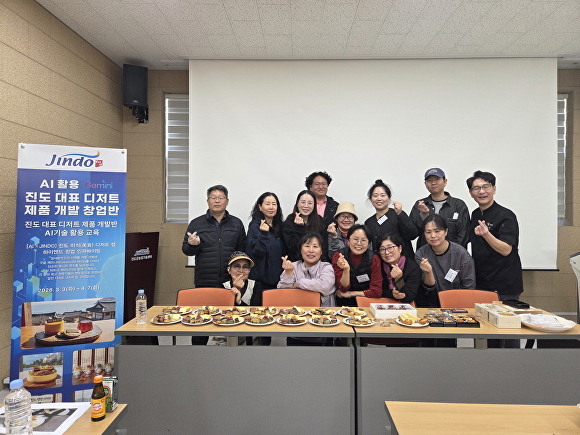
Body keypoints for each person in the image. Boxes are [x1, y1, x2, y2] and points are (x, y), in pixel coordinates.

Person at [466, 170, 523, 300]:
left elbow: (506, 250)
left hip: (505, 283)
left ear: (494, 189)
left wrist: (486, 234)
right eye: (476, 188)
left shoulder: (506, 215)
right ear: (471, 193)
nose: (481, 191)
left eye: (486, 186)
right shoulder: (475, 214)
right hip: (482, 281)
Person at [182, 185, 246, 288]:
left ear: (227, 201)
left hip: (230, 280)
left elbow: (242, 251)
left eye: (221, 198)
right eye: (213, 198)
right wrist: (192, 245)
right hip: (204, 279)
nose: (217, 201)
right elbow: (186, 251)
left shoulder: (236, 223)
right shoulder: (196, 223)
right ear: (207, 201)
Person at [415, 215, 476, 307]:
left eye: (437, 231)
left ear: (446, 231)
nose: (433, 236)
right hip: (431, 304)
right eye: (428, 232)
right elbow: (428, 289)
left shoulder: (461, 254)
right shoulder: (421, 254)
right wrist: (428, 272)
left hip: (458, 303)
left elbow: (469, 286)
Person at [409, 167, 470, 249]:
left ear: (445, 181)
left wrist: (451, 252)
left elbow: (464, 234)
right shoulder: (420, 204)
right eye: (429, 180)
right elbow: (412, 233)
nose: (433, 183)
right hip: (426, 254)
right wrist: (424, 215)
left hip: (454, 254)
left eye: (437, 179)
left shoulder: (458, 205)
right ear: (425, 184)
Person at [277, 232, 336, 307]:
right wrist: (288, 273)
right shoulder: (293, 266)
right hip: (298, 311)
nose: (311, 250)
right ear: (301, 250)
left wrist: (298, 284)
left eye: (315, 247)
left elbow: (325, 286)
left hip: (324, 312)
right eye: (307, 246)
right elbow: (282, 292)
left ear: (321, 251)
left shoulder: (326, 267)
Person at [364, 179, 417, 258]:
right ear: (370, 199)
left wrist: (400, 214)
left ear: (389, 198)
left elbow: (412, 235)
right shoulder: (369, 222)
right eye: (375, 196)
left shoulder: (397, 214)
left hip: (403, 262)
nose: (379, 198)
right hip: (381, 263)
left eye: (383, 195)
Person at [332, 224, 383, 307]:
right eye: (355, 239)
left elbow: (376, 291)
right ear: (348, 241)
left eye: (363, 240)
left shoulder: (374, 258)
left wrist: (351, 294)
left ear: (368, 243)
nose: (359, 243)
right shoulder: (339, 256)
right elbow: (342, 288)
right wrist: (346, 270)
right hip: (343, 303)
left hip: (367, 302)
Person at [246, 192, 286, 290]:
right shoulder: (255, 226)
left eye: (274, 204)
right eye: (267, 204)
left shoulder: (281, 226)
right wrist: (264, 234)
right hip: (260, 281)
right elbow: (258, 252)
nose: (271, 207)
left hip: (279, 279)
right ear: (260, 207)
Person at [377, 233, 422, 304]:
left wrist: (398, 279)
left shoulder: (413, 268)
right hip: (380, 304)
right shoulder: (377, 264)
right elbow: (374, 290)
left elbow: (409, 298)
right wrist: (391, 294)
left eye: (390, 248)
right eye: (382, 249)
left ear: (400, 248)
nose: (387, 252)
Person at [282, 190, 325, 262]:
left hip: (316, 263)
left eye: (310, 203)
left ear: (314, 205)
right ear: (297, 204)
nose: (306, 206)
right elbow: (293, 248)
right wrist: (299, 228)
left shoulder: (320, 221)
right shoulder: (289, 222)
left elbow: (323, 246)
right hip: (295, 263)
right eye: (303, 202)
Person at [305, 171, 339, 261]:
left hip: (329, 253)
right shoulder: (304, 206)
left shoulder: (335, 207)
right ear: (310, 186)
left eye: (324, 184)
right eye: (317, 184)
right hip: (309, 253)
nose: (321, 187)